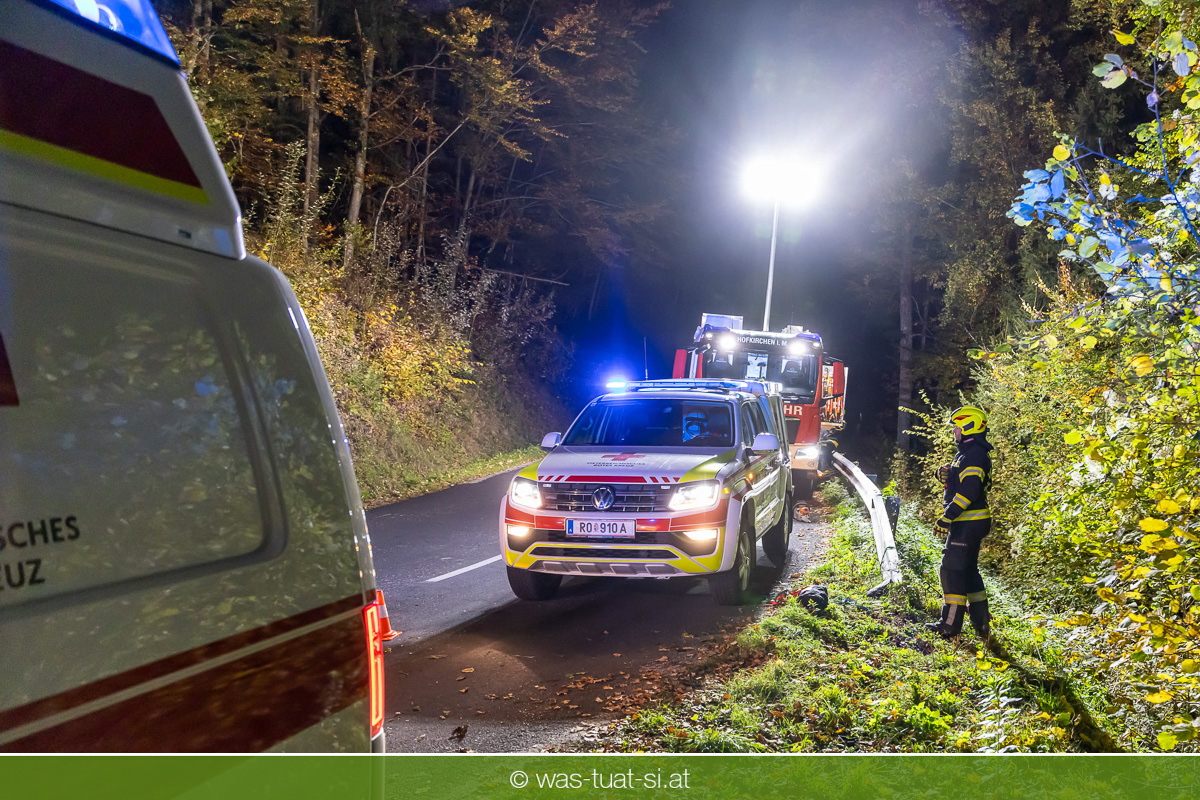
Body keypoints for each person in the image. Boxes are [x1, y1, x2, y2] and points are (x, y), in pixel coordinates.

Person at [926, 406, 995, 642]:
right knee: (968, 571)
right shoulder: (968, 453)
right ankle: (981, 622)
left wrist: (947, 517)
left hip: (968, 522)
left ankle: (949, 626)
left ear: (969, 427)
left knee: (952, 570)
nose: (954, 431)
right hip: (972, 522)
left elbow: (969, 492)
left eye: (957, 427)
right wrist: (947, 474)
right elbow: (963, 481)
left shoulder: (973, 454)